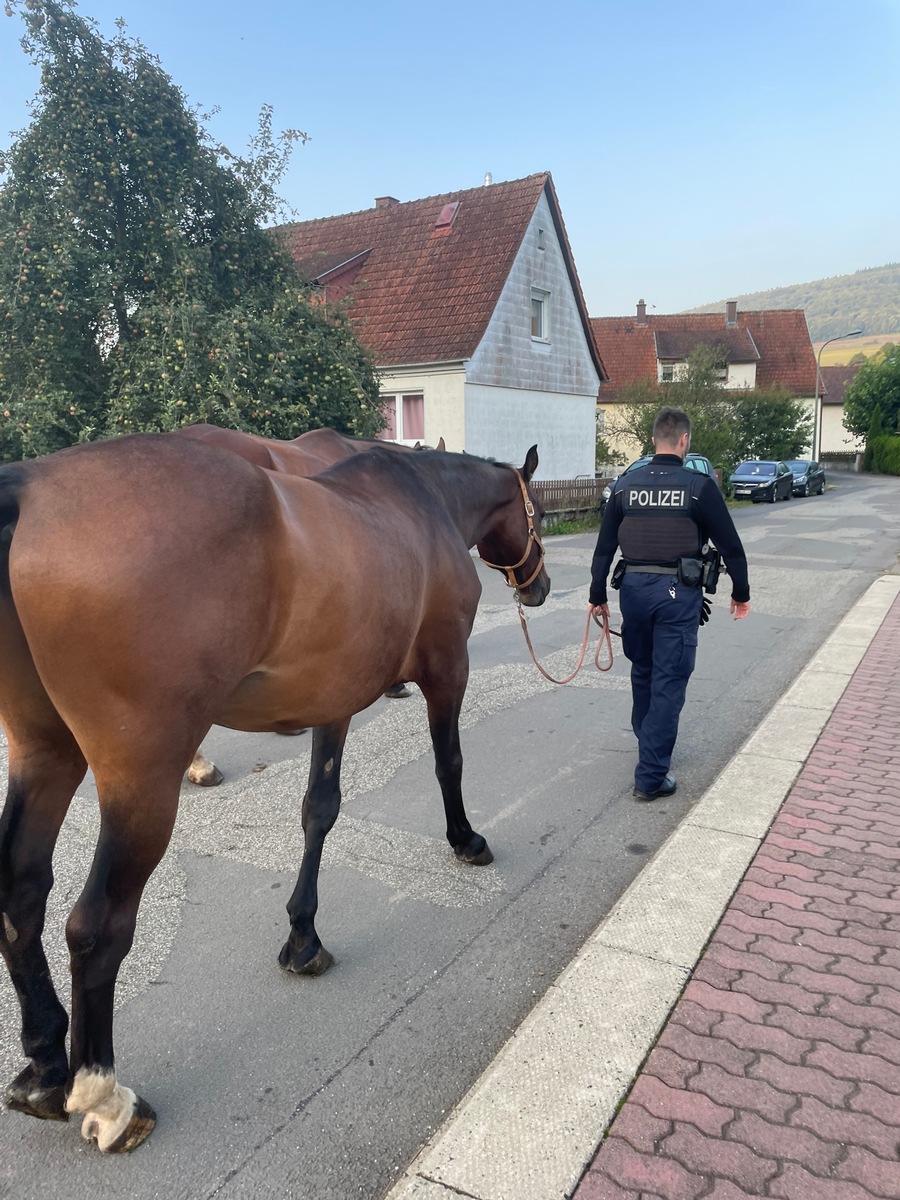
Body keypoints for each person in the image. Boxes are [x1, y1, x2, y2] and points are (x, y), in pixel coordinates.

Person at [589, 407, 750, 801]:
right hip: (678, 594)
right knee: (668, 681)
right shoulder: (698, 487)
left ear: (653, 440)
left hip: (634, 593)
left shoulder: (626, 486)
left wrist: (597, 596)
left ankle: (651, 748)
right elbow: (731, 546)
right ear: (684, 441)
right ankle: (650, 777)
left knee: (643, 672)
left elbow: (603, 548)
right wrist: (740, 593)